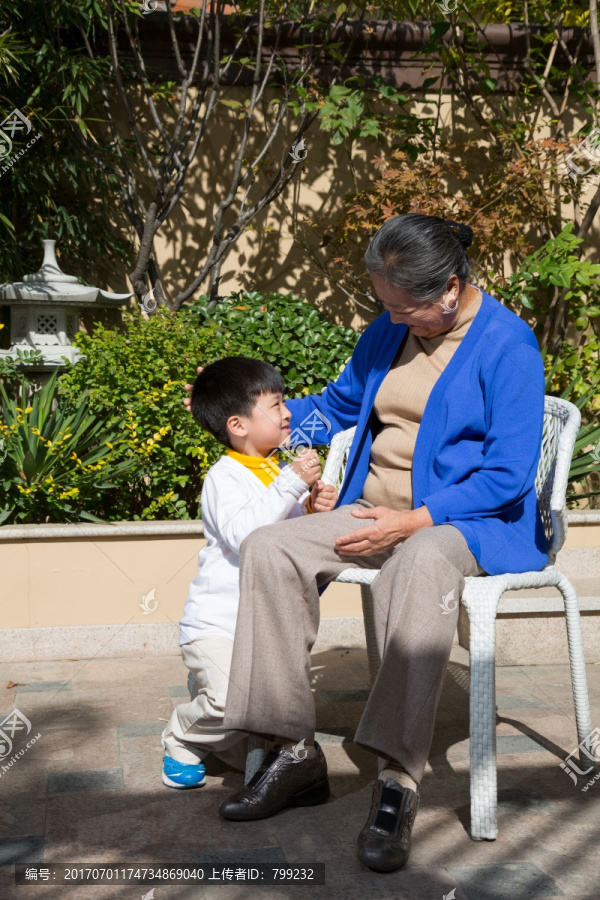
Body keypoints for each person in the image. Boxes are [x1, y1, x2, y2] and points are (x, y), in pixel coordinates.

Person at [184, 213, 547, 872]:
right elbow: (342, 403)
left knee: (422, 558)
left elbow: (507, 474)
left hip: (465, 521)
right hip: (372, 506)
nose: (394, 320)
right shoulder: (389, 330)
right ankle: (292, 751)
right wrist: (258, 421)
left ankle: (396, 781)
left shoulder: (508, 346)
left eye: (406, 308)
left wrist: (414, 521)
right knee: (271, 546)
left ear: (451, 288)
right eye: (386, 307)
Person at [162, 356, 338, 789]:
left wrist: (314, 508)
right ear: (238, 425)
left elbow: (287, 539)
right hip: (218, 627)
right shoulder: (225, 477)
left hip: (260, 628)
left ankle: (213, 706)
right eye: (276, 405)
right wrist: (293, 484)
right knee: (225, 707)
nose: (288, 413)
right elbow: (246, 536)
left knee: (258, 731)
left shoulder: (274, 471)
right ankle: (181, 736)